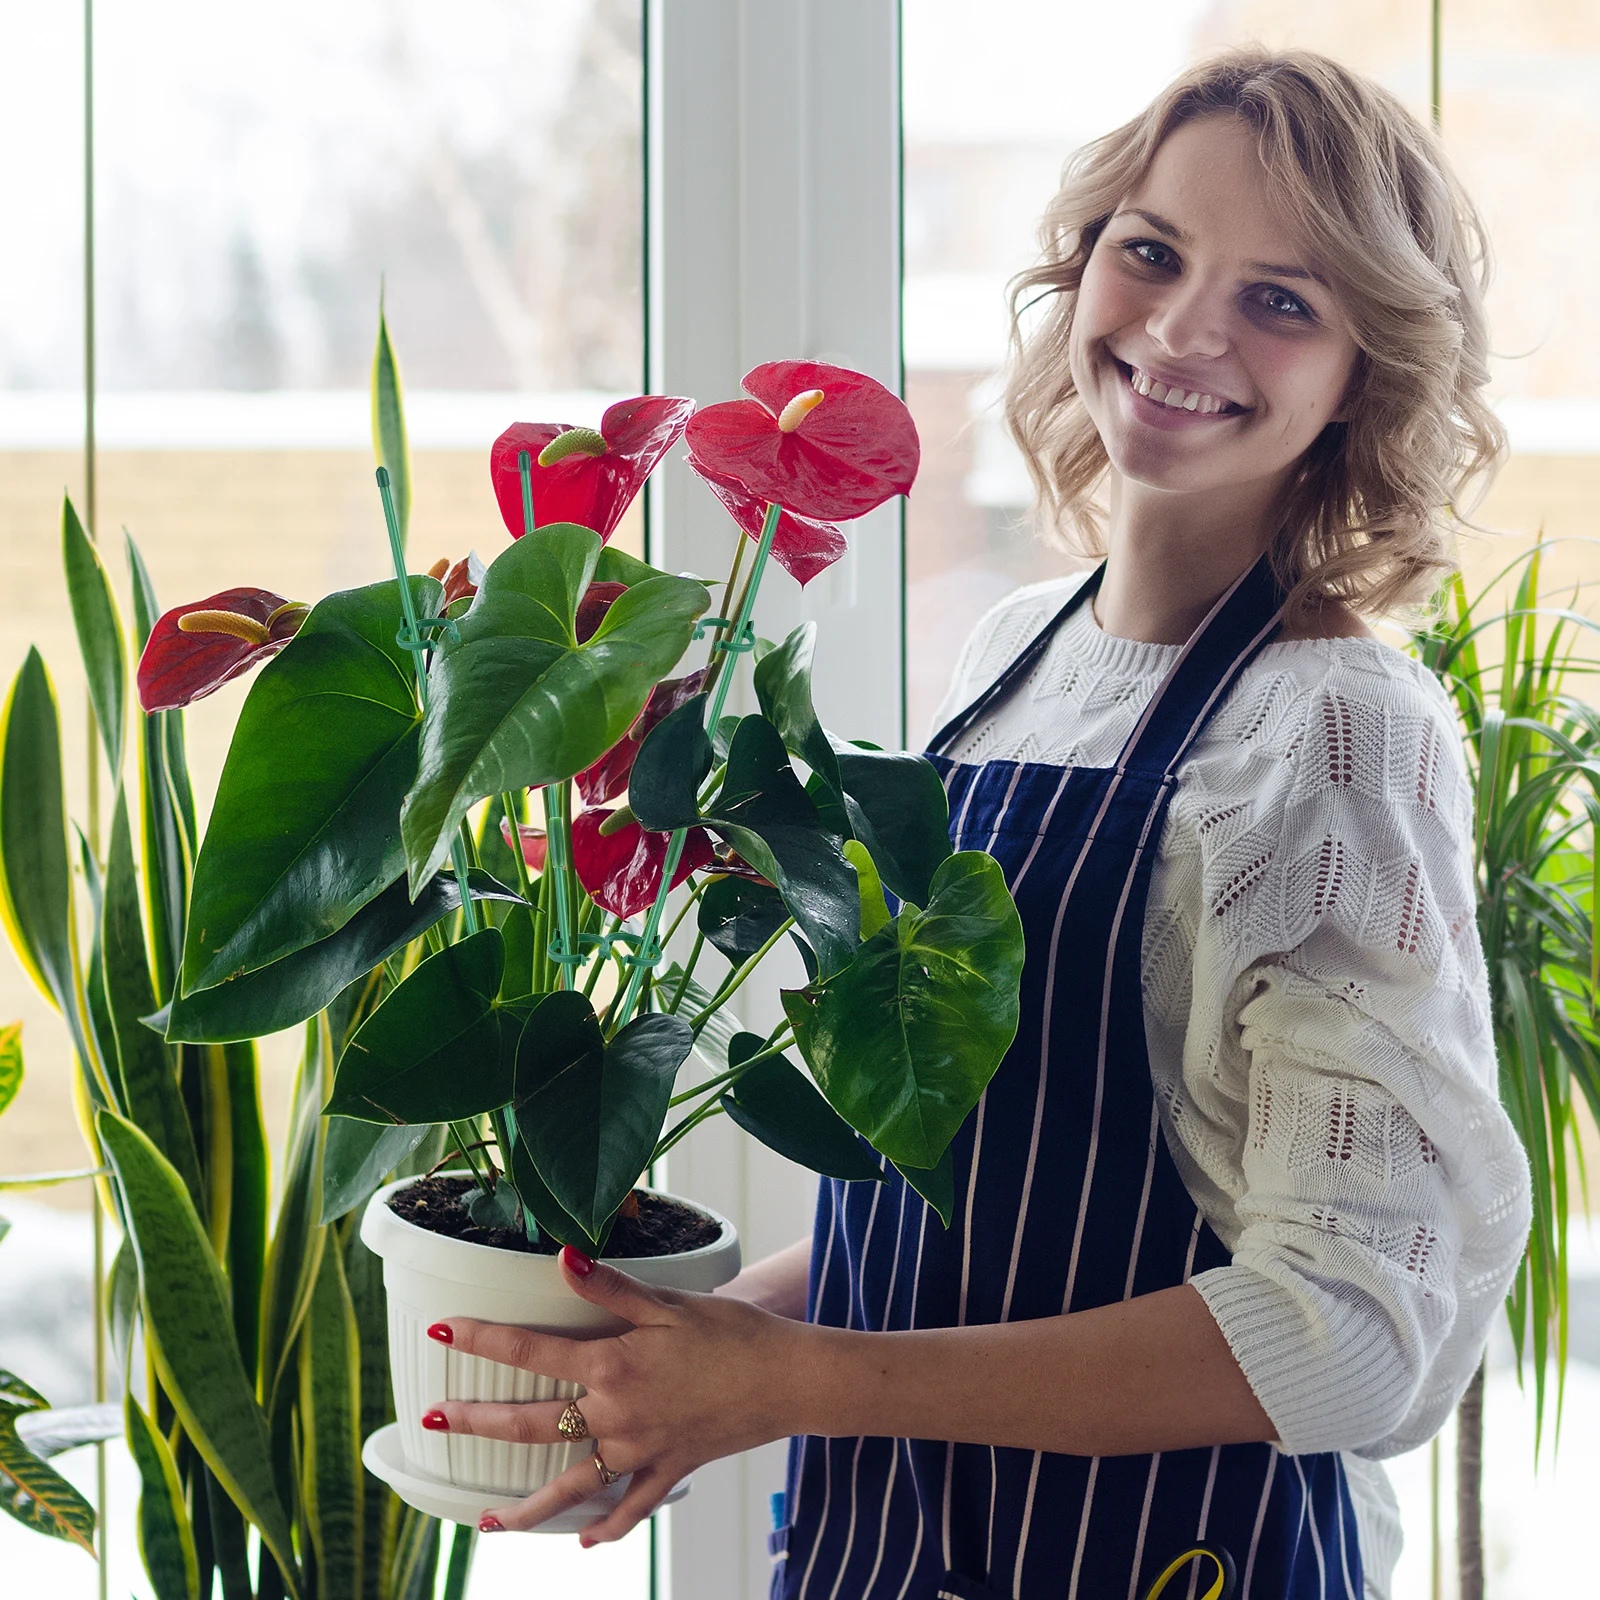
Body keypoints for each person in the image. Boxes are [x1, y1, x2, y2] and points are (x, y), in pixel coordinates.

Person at [420, 49, 1532, 1599]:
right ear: (1080, 268)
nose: (1183, 326)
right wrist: (702, 1356)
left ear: (1369, 374)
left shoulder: (1336, 730)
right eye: (1150, 251)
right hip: (881, 1548)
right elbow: (954, 1204)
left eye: (1284, 300)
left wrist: (798, 1383)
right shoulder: (1018, 654)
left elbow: (1360, 1335)